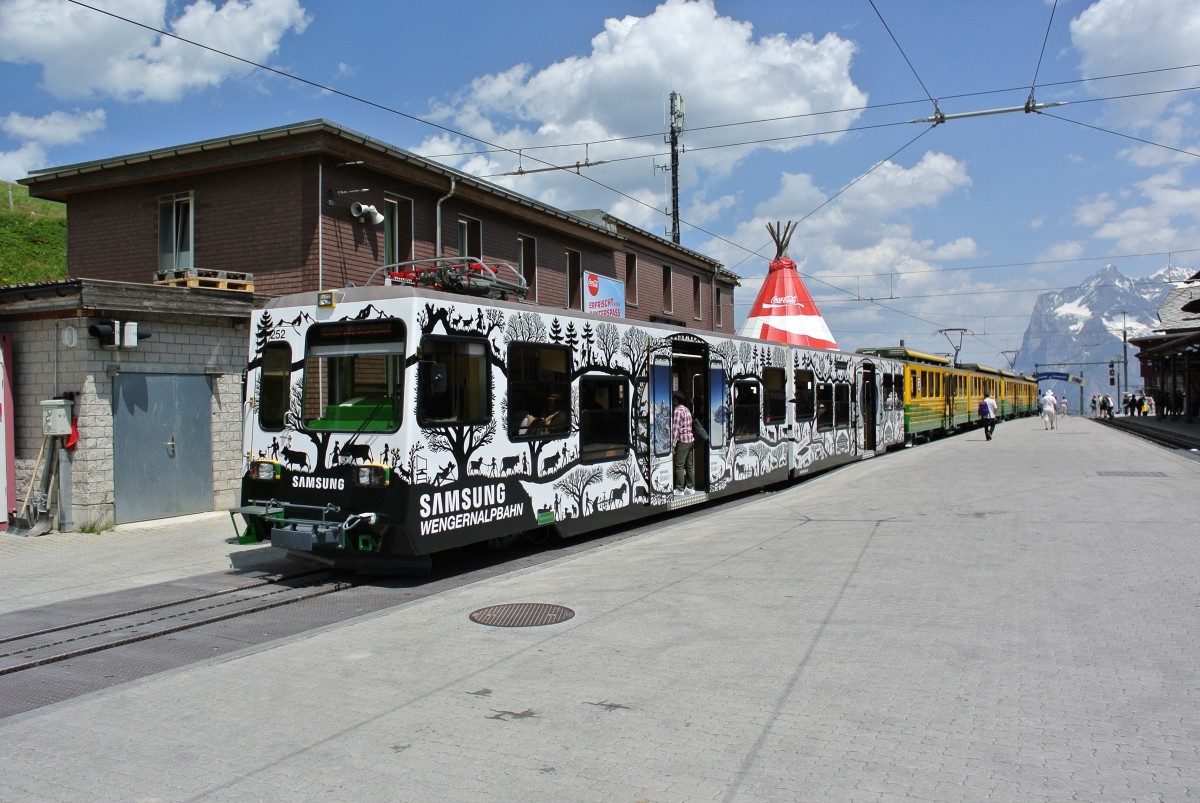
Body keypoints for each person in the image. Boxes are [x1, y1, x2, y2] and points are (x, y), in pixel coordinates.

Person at [671, 391, 695, 493]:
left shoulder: (677, 411)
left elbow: (675, 429)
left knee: (679, 465)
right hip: (690, 440)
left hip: (683, 441)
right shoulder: (686, 410)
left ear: (676, 400)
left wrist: (672, 444)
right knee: (689, 465)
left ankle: (679, 489)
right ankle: (690, 487)